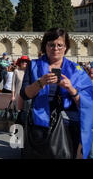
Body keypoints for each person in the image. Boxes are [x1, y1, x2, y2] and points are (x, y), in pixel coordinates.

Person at [20, 28, 93, 159]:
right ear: (45, 46)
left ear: (66, 47)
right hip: (40, 125)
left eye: (60, 45)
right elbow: (25, 94)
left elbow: (88, 102)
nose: (56, 48)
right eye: (51, 44)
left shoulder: (76, 70)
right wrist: (40, 83)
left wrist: (71, 89)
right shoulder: (34, 65)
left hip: (69, 127)